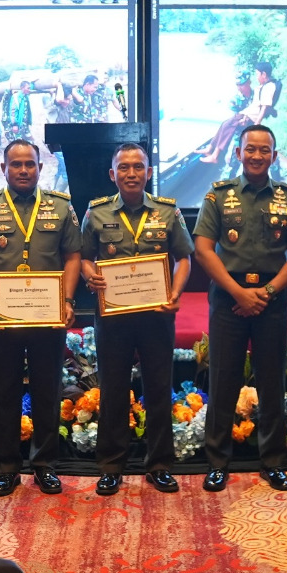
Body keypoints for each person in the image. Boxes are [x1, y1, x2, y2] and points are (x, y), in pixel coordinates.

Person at [192, 125, 287, 492]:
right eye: (250, 149)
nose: (257, 156)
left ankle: (272, 462)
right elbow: (203, 249)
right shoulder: (218, 196)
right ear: (238, 153)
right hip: (228, 297)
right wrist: (238, 293)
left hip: (272, 299)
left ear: (274, 156)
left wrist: (267, 292)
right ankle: (217, 462)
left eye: (264, 150)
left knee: (272, 380)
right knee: (223, 379)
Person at [0, 139, 82, 497]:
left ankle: (44, 465)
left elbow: (72, 256)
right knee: (4, 393)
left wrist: (67, 300)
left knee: (47, 390)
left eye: (30, 164)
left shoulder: (60, 206)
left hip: (48, 317)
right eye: (16, 164)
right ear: (4, 168)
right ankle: (7, 468)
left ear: (40, 168)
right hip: (3, 318)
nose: (24, 170)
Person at [80, 143, 193, 495]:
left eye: (138, 167)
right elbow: (84, 257)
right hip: (113, 317)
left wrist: (175, 293)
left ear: (149, 172)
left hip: (156, 315)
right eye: (124, 167)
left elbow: (184, 258)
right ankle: (111, 466)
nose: (131, 173)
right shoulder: (95, 213)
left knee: (158, 388)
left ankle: (159, 465)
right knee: (113, 390)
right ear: (112, 174)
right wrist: (90, 276)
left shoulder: (168, 212)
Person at [200, 63, 278, 165]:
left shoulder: (263, 89)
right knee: (226, 126)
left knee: (227, 125)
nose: (239, 88)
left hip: (253, 125)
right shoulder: (236, 100)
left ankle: (214, 154)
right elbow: (249, 111)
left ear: (249, 82)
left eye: (242, 85)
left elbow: (264, 107)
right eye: (238, 85)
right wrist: (244, 118)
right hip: (241, 127)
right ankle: (211, 150)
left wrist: (256, 122)